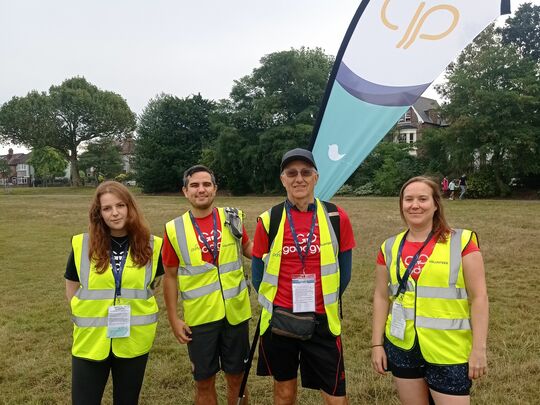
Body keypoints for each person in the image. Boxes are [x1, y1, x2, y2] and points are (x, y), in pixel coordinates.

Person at [371, 176, 488, 405]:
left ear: (436, 204)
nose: (415, 205)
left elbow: (479, 298)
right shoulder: (389, 246)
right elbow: (381, 296)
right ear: (401, 205)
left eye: (423, 199)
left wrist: (479, 350)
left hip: (448, 350)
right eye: (409, 199)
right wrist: (377, 344)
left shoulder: (462, 242)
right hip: (402, 345)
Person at [252, 148, 356, 404]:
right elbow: (258, 275)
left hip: (322, 321)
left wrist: (322, 301)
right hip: (282, 321)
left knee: (335, 396)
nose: (299, 179)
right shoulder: (270, 219)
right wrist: (279, 304)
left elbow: (345, 272)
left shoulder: (336, 217)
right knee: (284, 392)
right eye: (292, 173)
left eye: (305, 172)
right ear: (283, 179)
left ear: (316, 177)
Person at [65, 181, 163, 405]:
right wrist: (85, 313)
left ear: (130, 207)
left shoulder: (152, 245)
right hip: (90, 340)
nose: (115, 213)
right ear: (98, 212)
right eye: (107, 208)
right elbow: (71, 285)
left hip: (133, 340)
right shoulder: (83, 244)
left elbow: (159, 284)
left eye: (120, 205)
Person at [162, 165, 253, 405]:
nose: (201, 190)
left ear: (215, 189)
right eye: (194, 185)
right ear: (185, 191)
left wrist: (274, 252)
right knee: (204, 382)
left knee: (238, 379)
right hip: (200, 320)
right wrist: (174, 319)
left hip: (236, 314)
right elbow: (169, 277)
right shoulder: (174, 229)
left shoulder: (233, 216)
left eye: (206, 184)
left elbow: (248, 248)